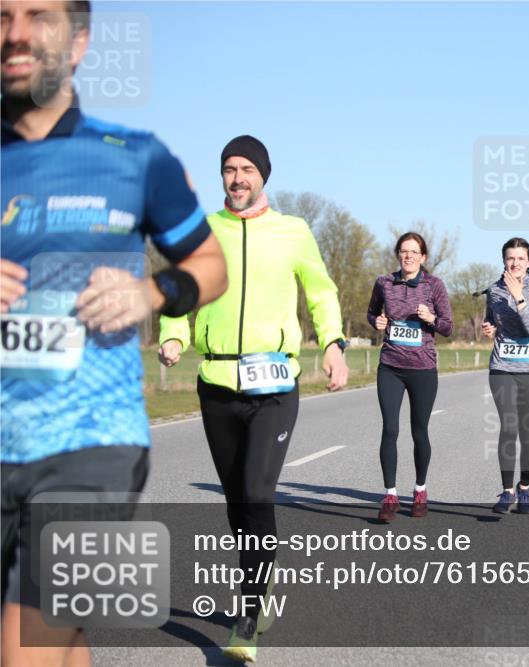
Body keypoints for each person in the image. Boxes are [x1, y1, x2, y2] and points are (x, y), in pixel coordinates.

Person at [1, 3, 228, 665]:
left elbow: (208, 263)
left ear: (79, 41)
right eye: (3, 14)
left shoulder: (134, 158)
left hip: (91, 444)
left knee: (23, 647)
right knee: (59, 640)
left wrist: (151, 292)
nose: (15, 32)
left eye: (38, 15)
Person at [158, 135, 349, 661]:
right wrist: (174, 332)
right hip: (216, 384)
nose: (237, 177)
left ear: (264, 174)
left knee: (258, 493)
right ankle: (259, 590)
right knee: (238, 503)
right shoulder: (203, 232)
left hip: (275, 386)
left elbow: (321, 291)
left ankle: (248, 612)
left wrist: (332, 343)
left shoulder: (293, 232)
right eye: (228, 169)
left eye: (246, 168)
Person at [367, 232, 453, 522]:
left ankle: (419, 491)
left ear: (423, 257)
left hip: (423, 369)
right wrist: (376, 321)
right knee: (390, 429)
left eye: (414, 252)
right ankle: (390, 495)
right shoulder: (384, 283)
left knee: (419, 431)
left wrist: (431, 319)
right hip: (390, 366)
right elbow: (372, 314)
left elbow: (448, 327)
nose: (408, 256)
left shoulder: (434, 286)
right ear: (398, 254)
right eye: (404, 251)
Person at [481, 238, 529, 514]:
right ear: (504, 261)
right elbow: (491, 321)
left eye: (521, 258)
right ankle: (507, 492)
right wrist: (489, 330)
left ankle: (524, 487)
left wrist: (519, 297)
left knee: (527, 430)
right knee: (508, 426)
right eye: (511, 258)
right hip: (502, 367)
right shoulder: (494, 290)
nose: (515, 263)